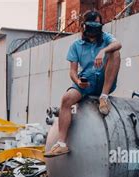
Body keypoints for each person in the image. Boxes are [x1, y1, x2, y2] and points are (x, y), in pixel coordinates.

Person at [44, 10, 122, 158]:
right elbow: (72, 71)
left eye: (97, 25)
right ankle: (61, 143)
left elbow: (118, 44)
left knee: (115, 52)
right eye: (91, 25)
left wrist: (103, 51)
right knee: (66, 99)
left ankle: (103, 98)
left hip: (105, 81)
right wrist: (78, 81)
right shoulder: (76, 46)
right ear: (84, 26)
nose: (94, 29)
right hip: (86, 82)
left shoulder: (106, 38)